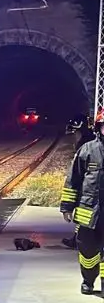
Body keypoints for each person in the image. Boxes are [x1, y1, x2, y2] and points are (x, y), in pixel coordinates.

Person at [61, 121, 104, 294]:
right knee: (87, 249)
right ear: (99, 127)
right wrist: (67, 207)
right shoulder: (87, 150)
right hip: (89, 212)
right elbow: (74, 180)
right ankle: (88, 280)